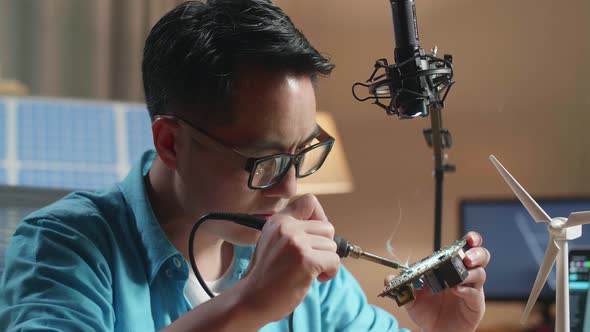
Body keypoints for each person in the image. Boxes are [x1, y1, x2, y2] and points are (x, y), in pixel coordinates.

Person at [0, 1, 490, 331]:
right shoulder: (64, 247)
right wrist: (249, 304)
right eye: (266, 161)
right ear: (171, 142)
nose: (292, 190)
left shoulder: (313, 277)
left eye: (302, 154)